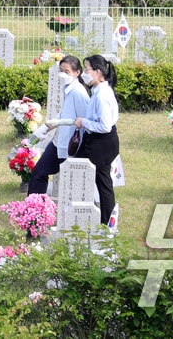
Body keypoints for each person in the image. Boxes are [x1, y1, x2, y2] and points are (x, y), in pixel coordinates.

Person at [28, 56, 90, 196]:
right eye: (61, 71)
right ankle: (33, 208)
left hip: (71, 144)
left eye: (66, 72)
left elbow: (85, 120)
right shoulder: (68, 89)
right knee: (39, 172)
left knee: (71, 182)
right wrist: (45, 128)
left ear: (77, 73)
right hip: (58, 142)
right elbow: (63, 115)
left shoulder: (78, 92)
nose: (63, 75)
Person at [74, 54, 120, 224]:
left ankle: (105, 221)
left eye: (87, 70)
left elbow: (105, 125)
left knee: (94, 178)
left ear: (98, 72)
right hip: (99, 142)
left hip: (102, 143)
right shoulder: (99, 90)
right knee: (102, 182)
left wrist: (83, 122)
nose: (84, 73)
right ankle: (104, 220)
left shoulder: (101, 95)